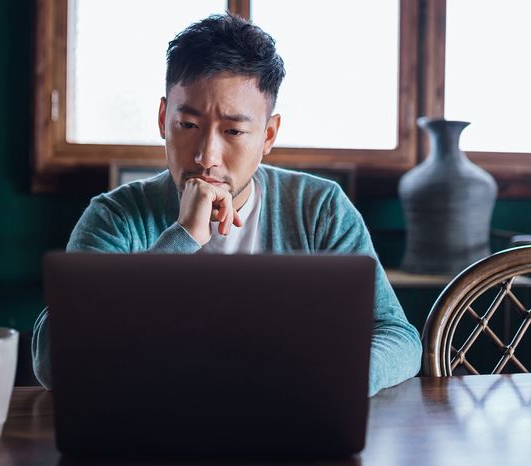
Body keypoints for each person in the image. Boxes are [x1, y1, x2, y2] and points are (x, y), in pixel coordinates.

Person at [32, 13, 421, 396]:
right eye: (187, 125)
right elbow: (54, 359)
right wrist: (182, 238)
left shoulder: (319, 209)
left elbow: (398, 336)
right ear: (163, 118)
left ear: (268, 135)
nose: (206, 156)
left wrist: (335, 379)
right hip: (152, 426)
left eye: (233, 131)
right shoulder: (115, 217)